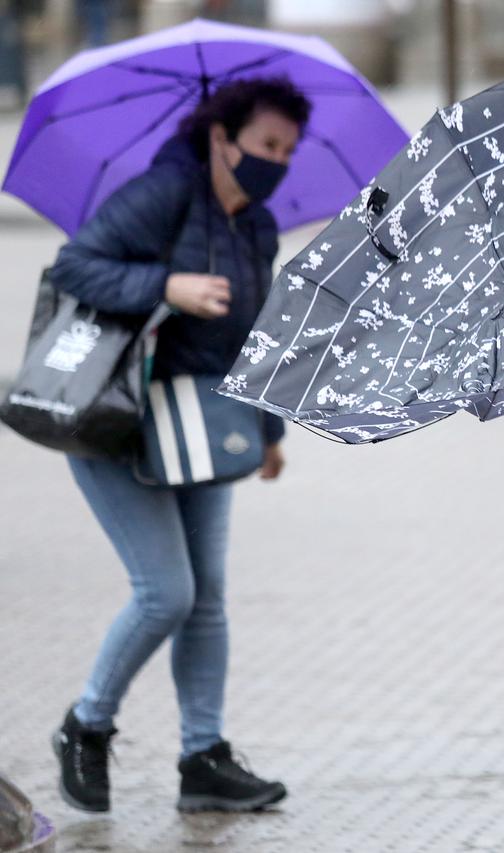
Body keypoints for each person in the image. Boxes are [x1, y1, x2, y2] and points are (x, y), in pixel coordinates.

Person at [47, 77, 310, 814]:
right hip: (116, 422)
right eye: (266, 145)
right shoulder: (164, 191)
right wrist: (171, 286)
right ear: (222, 138)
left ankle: (203, 758)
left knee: (208, 601)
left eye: (288, 150)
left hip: (202, 426)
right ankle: (85, 725)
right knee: (167, 592)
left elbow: (259, 339)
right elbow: (74, 266)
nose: (277, 161)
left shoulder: (256, 226)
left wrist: (267, 429)